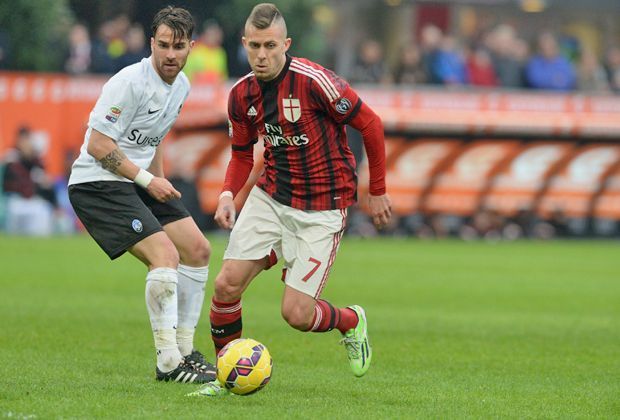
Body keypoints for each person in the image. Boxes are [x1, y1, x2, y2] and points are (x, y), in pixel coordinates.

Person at [189, 3, 392, 397]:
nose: (262, 55)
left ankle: (350, 321)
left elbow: (370, 123)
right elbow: (242, 153)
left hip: (322, 207)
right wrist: (229, 194)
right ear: (244, 45)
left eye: (270, 46)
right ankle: (223, 375)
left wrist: (378, 188)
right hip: (272, 197)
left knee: (296, 315)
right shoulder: (241, 94)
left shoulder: (315, 81)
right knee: (226, 285)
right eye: (254, 47)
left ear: (286, 44)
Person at [67, 6, 215, 384]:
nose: (169, 54)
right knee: (164, 255)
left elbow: (157, 135)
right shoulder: (128, 81)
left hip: (138, 181)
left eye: (178, 47)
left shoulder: (181, 86)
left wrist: (159, 184)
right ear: (151, 43)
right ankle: (168, 362)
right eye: (163, 45)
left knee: (198, 249)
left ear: (190, 48)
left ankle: (185, 350)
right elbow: (99, 145)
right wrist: (149, 182)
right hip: (96, 183)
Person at [2, 126, 57, 235]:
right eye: (23, 139)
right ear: (18, 140)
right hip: (14, 199)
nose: (26, 143)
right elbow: (11, 183)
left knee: (43, 211)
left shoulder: (35, 160)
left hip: (32, 201)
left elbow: (43, 181)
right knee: (14, 228)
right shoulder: (11, 157)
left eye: (28, 139)